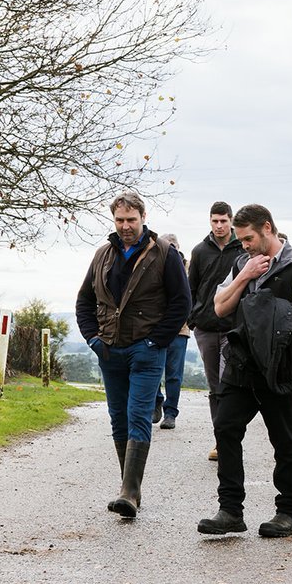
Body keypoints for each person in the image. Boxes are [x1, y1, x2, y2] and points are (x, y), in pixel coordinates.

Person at [196, 205, 292, 538]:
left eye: (249, 238)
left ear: (267, 228)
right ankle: (230, 511)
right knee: (225, 428)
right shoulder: (242, 263)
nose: (245, 246)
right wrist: (245, 276)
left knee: (284, 439)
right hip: (242, 364)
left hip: (281, 368)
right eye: (241, 240)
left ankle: (287, 513)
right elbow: (220, 306)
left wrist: (259, 307)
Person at [75, 191, 192, 518]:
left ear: (143, 217)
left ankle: (129, 491)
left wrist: (156, 342)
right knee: (118, 418)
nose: (126, 226)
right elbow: (84, 302)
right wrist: (93, 340)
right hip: (110, 351)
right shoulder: (102, 255)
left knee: (138, 415)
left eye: (131, 220)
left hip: (146, 351)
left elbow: (182, 302)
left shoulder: (164, 254)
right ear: (114, 220)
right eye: (120, 220)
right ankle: (130, 488)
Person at [187, 201, 244, 461]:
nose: (219, 226)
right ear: (210, 222)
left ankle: (229, 438)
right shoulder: (200, 251)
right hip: (206, 326)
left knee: (228, 384)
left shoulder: (242, 249)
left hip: (234, 327)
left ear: (231, 221)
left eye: (223, 221)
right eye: (215, 221)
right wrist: (193, 318)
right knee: (215, 386)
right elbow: (191, 287)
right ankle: (220, 438)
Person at [152, 234, 192, 430]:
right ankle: (157, 401)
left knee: (174, 375)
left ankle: (170, 413)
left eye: (174, 246)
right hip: (156, 329)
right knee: (153, 370)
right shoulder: (156, 265)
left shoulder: (188, 268)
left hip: (180, 330)